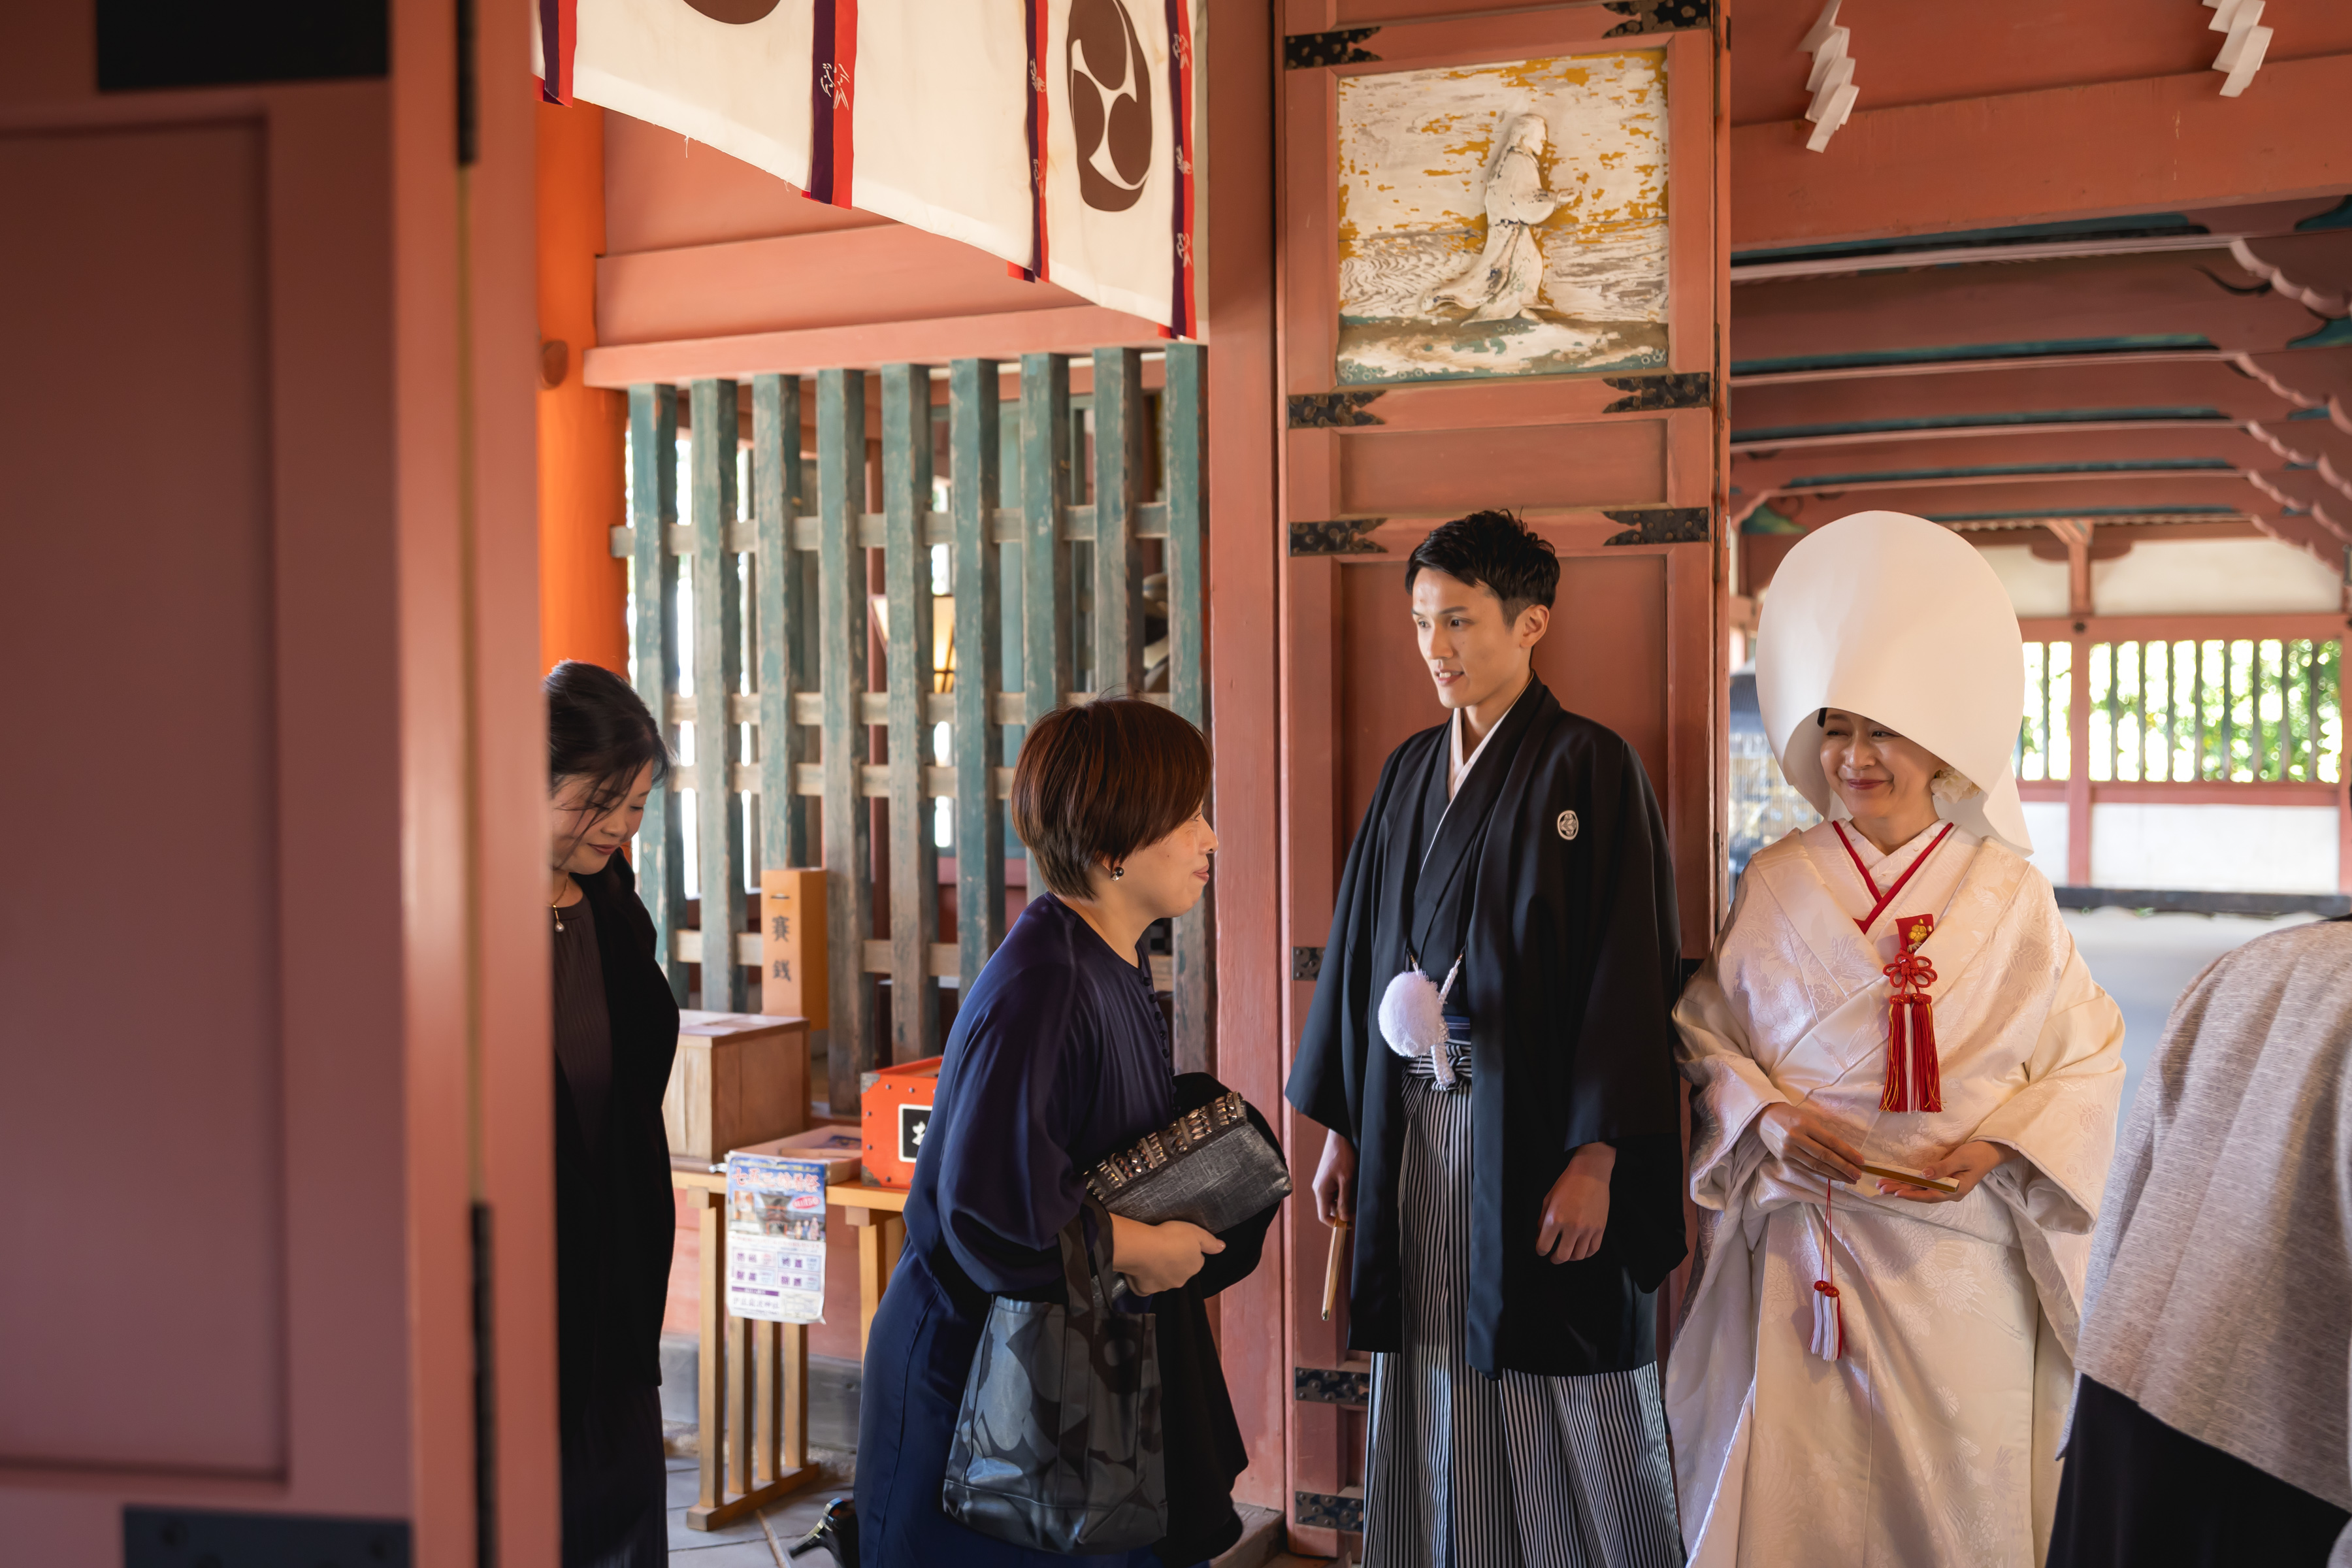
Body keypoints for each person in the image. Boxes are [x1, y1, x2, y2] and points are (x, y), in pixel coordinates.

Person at [1668, 511, 2126, 1567]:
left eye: (1885, 730)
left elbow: (2087, 1051)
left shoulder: (2009, 890)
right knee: (1798, 1493)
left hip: (1957, 1238)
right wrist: (1767, 1118)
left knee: (1956, 1484)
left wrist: (2009, 1144)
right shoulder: (1778, 879)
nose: (1856, 756)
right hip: (1810, 1242)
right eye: (1837, 728)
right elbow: (1710, 1032)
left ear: (1941, 738)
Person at [1287, 510, 1690, 1568]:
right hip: (1419, 1131)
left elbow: (1628, 970)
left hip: (1540, 1135)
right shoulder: (1411, 771)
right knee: (1434, 1348)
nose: (1437, 648)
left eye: (1459, 620)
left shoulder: (1592, 768)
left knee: (1559, 1353)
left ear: (1532, 623)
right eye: (1423, 622)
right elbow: (1367, 947)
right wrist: (1348, 1133)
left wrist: (1601, 1156)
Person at [855, 696, 1276, 1568]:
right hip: (981, 1388)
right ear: (1115, 846)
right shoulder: (1042, 986)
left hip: (1065, 1371)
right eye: (1188, 816)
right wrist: (1134, 1246)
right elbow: (992, 1216)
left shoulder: (1111, 956)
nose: (1211, 838)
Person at [2048, 916, 2352, 1567]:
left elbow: (2133, 1186)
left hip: (2124, 1396)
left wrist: (2088, 1377)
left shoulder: (2252, 960)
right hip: (2284, 1442)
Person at [543, 660, 680, 1568]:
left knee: (625, 1508)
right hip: (525, 1264)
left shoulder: (612, 904)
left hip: (620, 1253)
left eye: (635, 803)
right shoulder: (454, 918)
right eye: (602, 801)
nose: (623, 826)